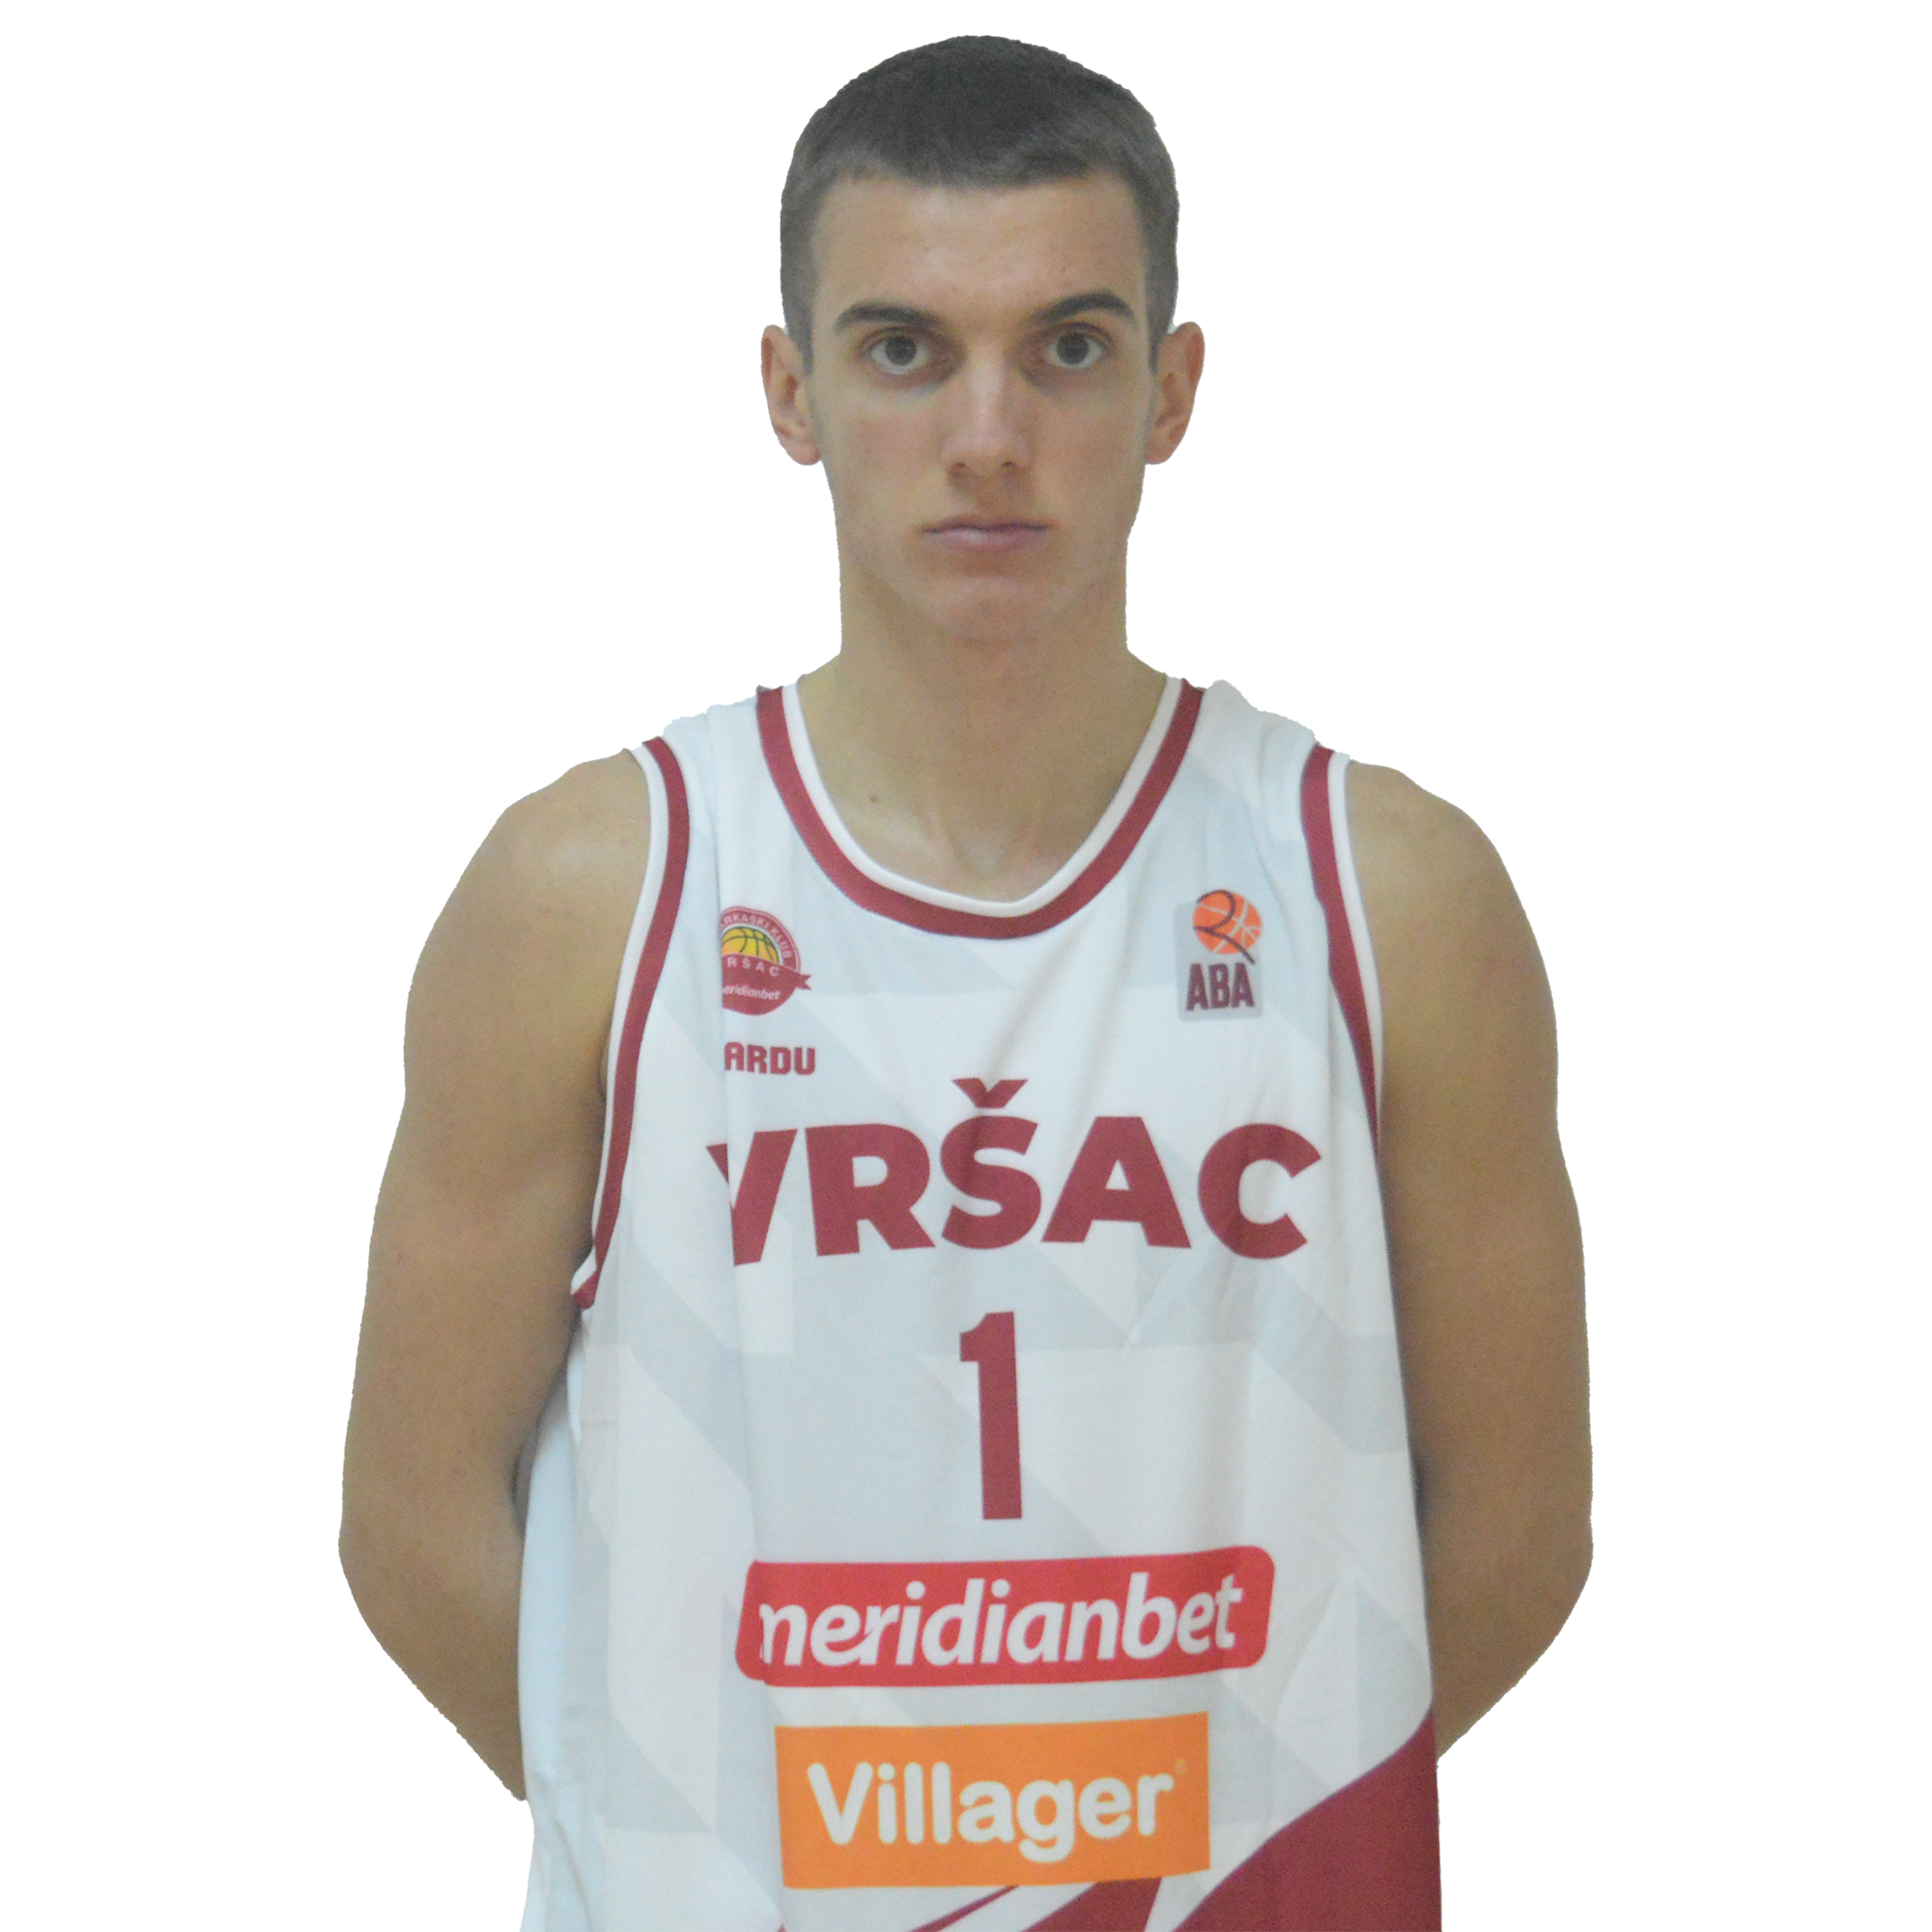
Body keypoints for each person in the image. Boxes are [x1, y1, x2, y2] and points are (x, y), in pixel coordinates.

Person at [341, 36, 1589, 1932]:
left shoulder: (1386, 893)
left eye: (1068, 348)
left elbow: (1518, 1513)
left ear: (1171, 391)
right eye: (905, 348)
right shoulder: (594, 894)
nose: (989, 434)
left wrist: (1231, 1815)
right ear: (793, 393)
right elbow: (413, 1512)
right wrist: (697, 1825)